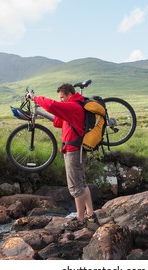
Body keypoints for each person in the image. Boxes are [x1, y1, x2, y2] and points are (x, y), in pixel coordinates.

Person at [27, 83, 97, 230]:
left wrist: (35, 98)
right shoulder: (73, 107)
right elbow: (58, 121)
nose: (61, 100)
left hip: (73, 150)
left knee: (75, 186)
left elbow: (52, 105)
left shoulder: (74, 106)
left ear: (70, 94)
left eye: (62, 97)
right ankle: (90, 213)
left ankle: (80, 218)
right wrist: (43, 112)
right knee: (82, 182)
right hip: (75, 148)